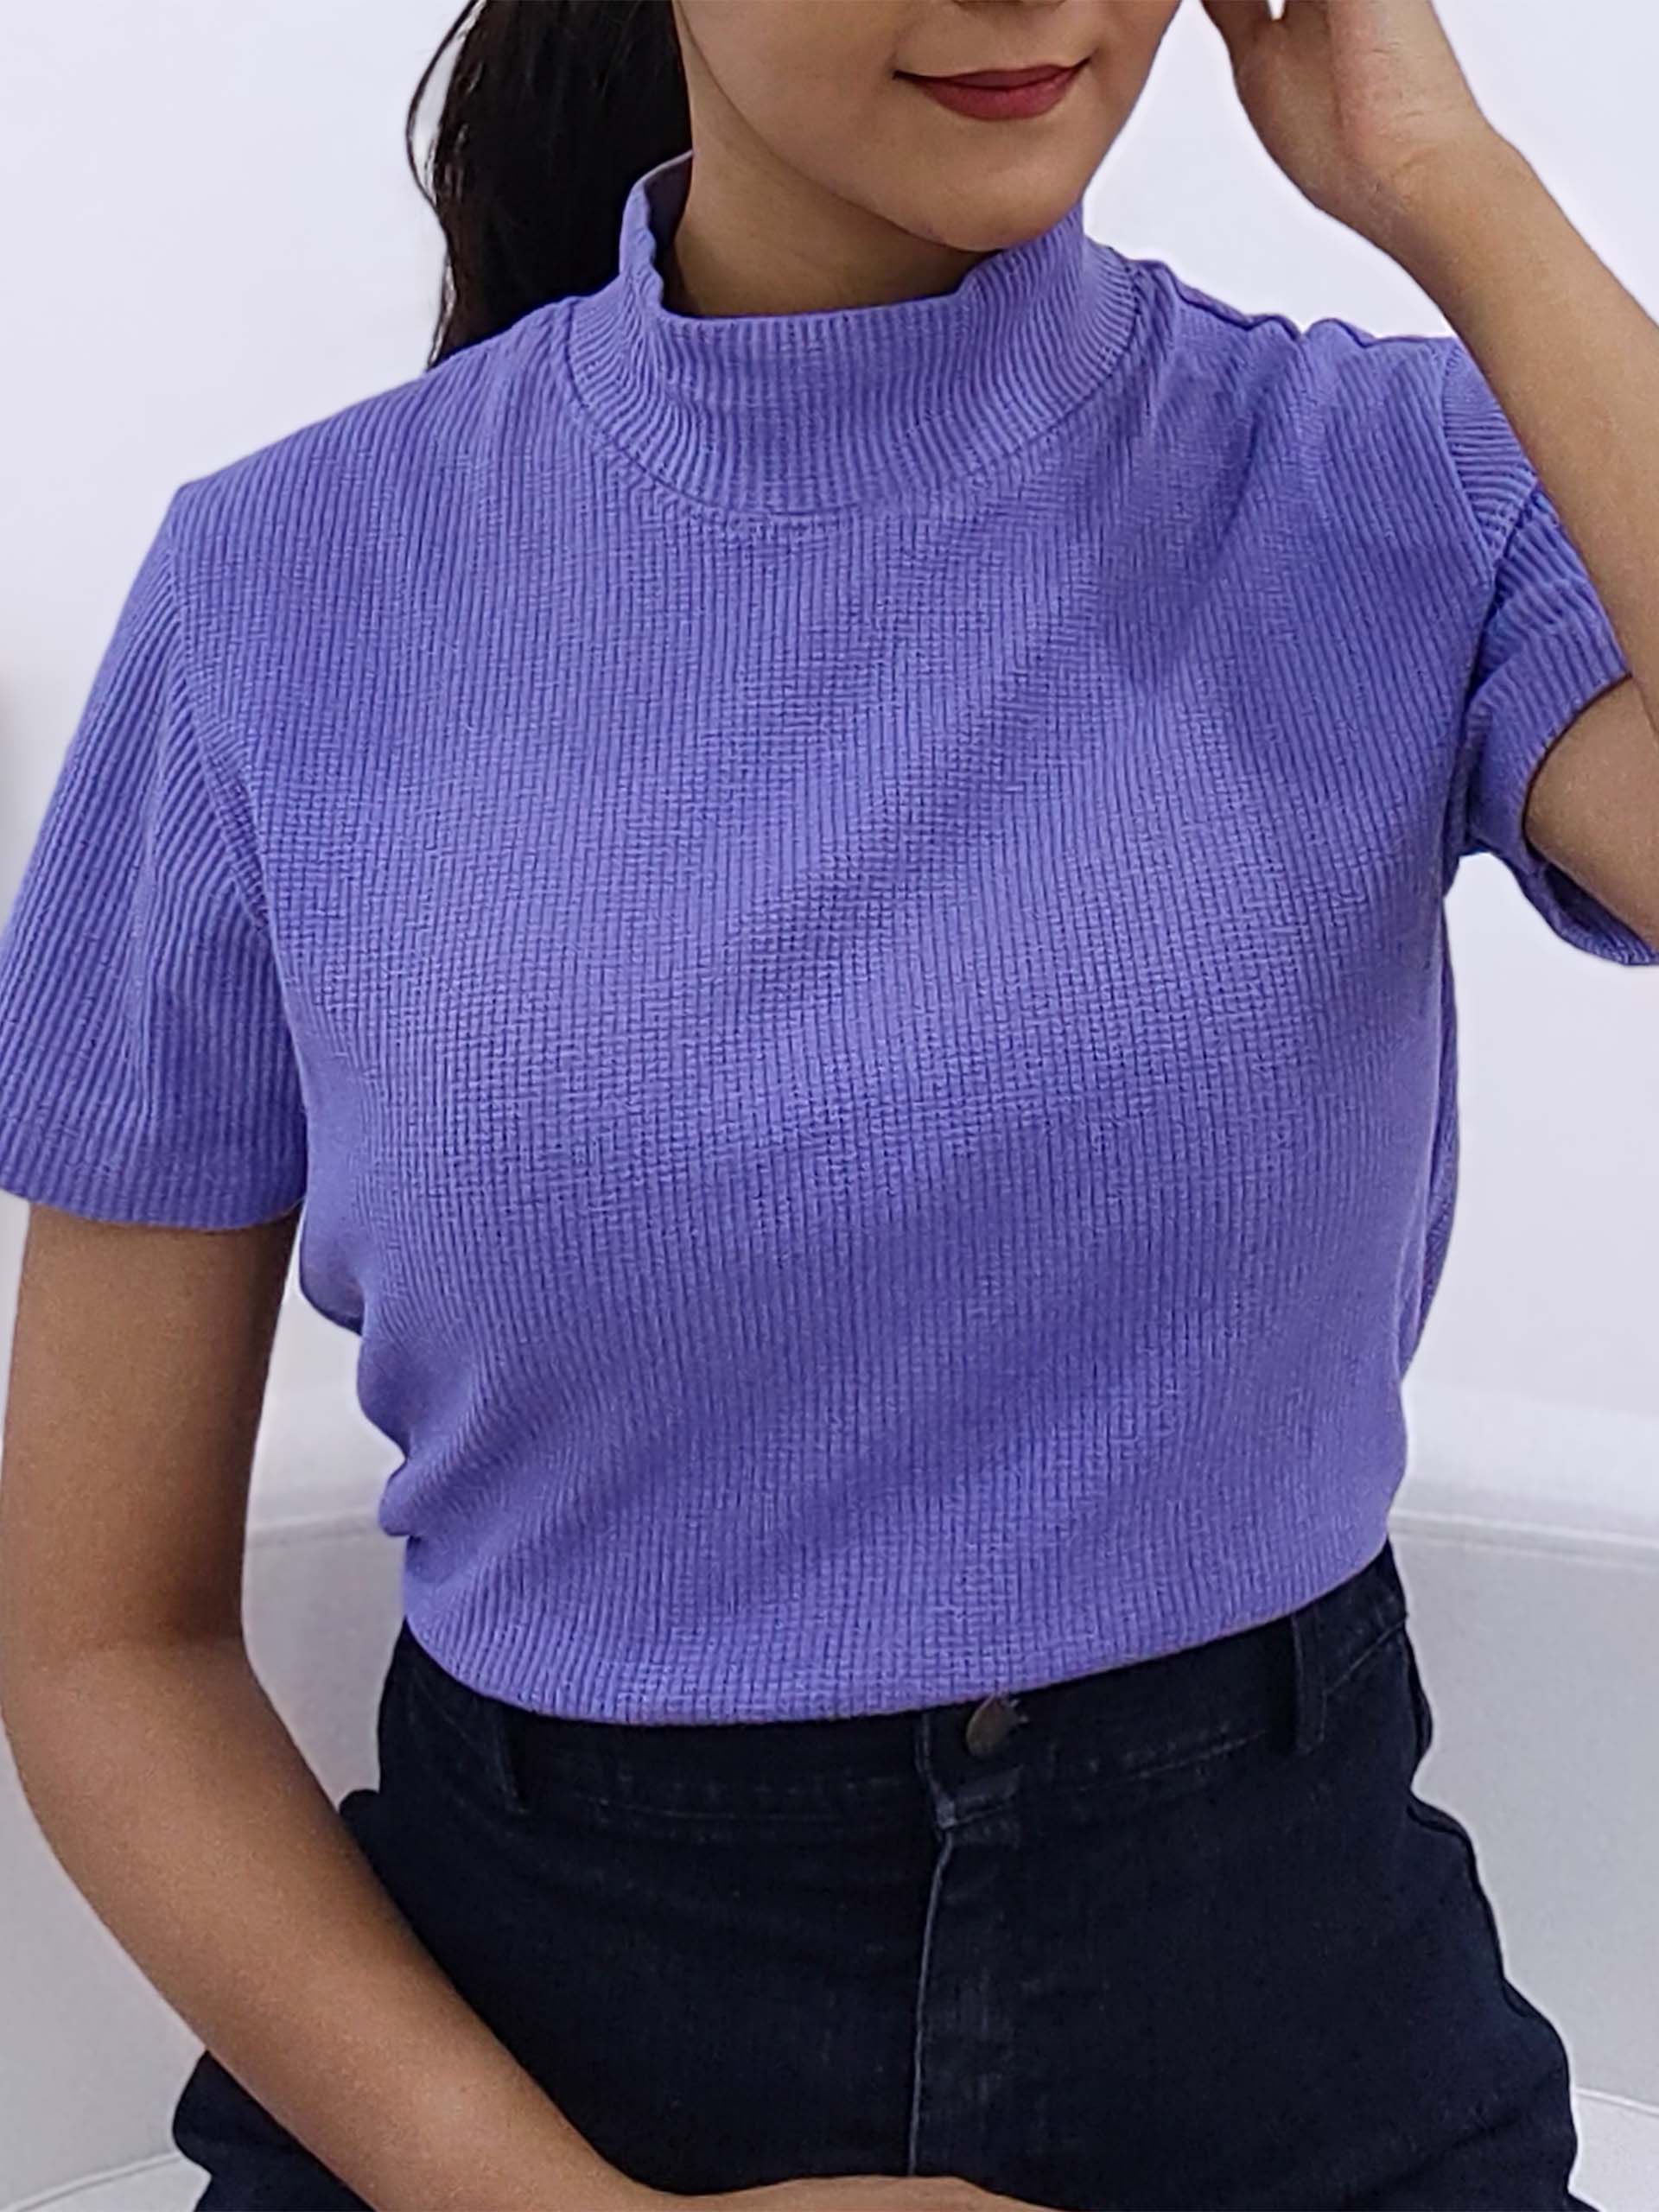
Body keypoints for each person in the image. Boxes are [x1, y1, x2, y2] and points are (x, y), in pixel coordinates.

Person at [0, 0, 1643, 2206]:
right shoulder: (279, 592)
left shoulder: (1395, 478)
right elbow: (103, 1640)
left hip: (1302, 2037)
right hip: (514, 2072)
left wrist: (1455, 182)